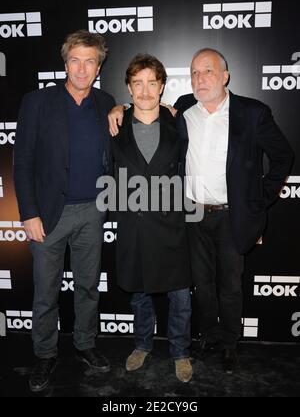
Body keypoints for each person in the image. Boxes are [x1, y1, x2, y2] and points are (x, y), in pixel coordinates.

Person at [108, 48, 294, 374]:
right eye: (194, 72)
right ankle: (208, 337)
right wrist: (118, 108)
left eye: (207, 71)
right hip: (191, 215)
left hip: (231, 214)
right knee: (202, 285)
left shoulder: (252, 112)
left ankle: (230, 346)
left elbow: (283, 156)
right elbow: (143, 108)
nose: (199, 78)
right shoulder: (183, 109)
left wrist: (258, 199)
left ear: (225, 76)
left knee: (231, 286)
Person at [14, 30, 115, 392]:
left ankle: (85, 345)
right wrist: (28, 212)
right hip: (48, 213)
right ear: (65, 62)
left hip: (92, 212)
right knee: (46, 290)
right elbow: (22, 161)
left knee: (88, 286)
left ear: (98, 66)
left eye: (90, 60)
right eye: (75, 59)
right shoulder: (37, 102)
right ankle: (44, 354)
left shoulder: (107, 103)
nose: (82, 67)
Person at [108, 54, 193, 383]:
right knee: (139, 293)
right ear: (128, 88)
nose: (145, 91)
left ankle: (180, 351)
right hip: (135, 225)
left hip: (171, 224)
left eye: (152, 83)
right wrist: (116, 109)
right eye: (138, 83)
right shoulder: (114, 125)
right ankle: (142, 345)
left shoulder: (178, 121)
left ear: (162, 87)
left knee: (179, 294)